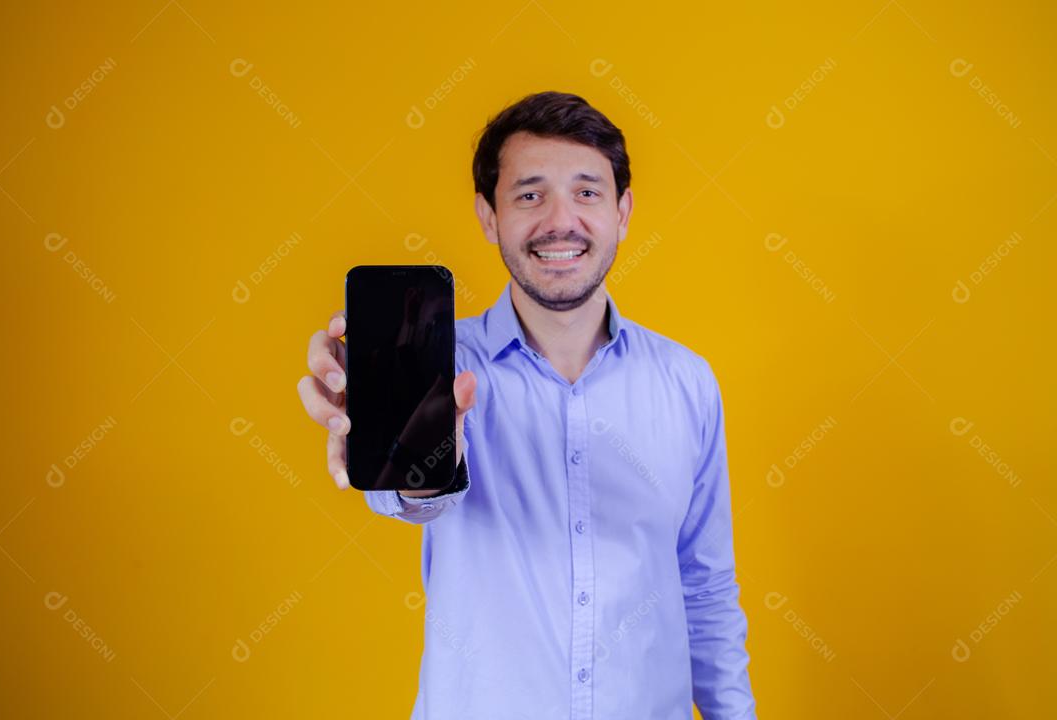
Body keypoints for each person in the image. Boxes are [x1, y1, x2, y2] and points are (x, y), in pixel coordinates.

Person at [297, 91, 757, 719]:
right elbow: (403, 498)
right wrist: (419, 456)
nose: (560, 221)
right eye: (530, 194)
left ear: (623, 212)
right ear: (489, 217)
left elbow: (705, 587)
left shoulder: (686, 382)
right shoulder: (439, 365)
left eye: (588, 192)